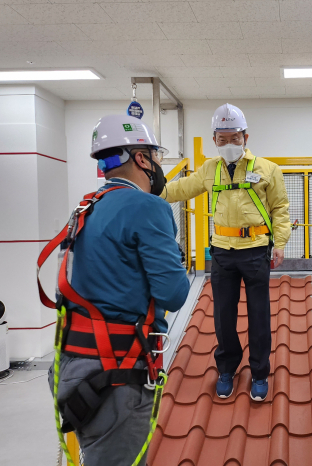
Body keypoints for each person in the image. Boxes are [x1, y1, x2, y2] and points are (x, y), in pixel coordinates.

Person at [44, 114, 190, 466]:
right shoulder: (147, 207)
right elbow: (173, 293)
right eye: (155, 157)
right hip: (114, 374)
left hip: (70, 367)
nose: (157, 165)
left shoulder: (85, 207)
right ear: (141, 158)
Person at [163, 103, 291, 402]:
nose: (229, 143)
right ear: (214, 140)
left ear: (245, 136)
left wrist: (281, 241)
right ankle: (226, 369)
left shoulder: (267, 169)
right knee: (223, 315)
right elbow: (180, 189)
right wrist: (151, 186)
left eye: (234, 137)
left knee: (259, 316)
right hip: (221, 252)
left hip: (256, 250)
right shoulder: (209, 169)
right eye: (222, 138)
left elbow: (280, 209)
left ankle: (259, 373)